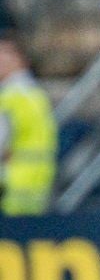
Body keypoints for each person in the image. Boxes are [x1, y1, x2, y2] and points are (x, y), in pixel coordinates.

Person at [0, 31, 57, 217]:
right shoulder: (36, 94)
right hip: (36, 189)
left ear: (20, 59)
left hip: (9, 188)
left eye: (4, 55)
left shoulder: (9, 97)